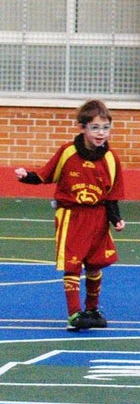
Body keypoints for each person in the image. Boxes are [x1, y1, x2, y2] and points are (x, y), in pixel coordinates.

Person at [14, 100, 125, 331]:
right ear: (82, 127)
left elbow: (112, 193)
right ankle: (74, 314)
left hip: (98, 217)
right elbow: (46, 175)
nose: (100, 133)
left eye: (105, 128)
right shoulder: (68, 152)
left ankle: (92, 309)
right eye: (95, 128)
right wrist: (27, 176)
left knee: (95, 265)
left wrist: (115, 218)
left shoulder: (111, 158)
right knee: (72, 265)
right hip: (71, 216)